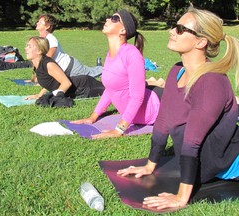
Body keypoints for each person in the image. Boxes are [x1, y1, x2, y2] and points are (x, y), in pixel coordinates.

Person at [117, 7, 239, 211]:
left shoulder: (211, 81)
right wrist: (150, 165)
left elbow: (193, 140)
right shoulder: (176, 71)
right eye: (175, 26)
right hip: (211, 159)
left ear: (201, 42)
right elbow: (163, 121)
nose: (172, 31)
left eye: (181, 29)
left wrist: (181, 197)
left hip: (231, 163)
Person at [72, 10, 163, 139]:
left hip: (159, 107)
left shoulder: (132, 54)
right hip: (144, 106)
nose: (108, 19)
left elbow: (137, 97)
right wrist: (92, 117)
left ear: (123, 30)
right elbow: (110, 89)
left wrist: (119, 129)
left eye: (115, 18)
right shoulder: (110, 55)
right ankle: (155, 81)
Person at [24, 36, 104, 100]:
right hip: (79, 88)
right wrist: (39, 95)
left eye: (29, 46)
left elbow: (66, 83)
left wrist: (56, 97)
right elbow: (49, 82)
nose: (25, 48)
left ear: (39, 51)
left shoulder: (48, 64)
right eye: (27, 46)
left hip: (85, 87)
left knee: (111, 91)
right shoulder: (38, 65)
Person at [36, 14, 102, 78]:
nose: (37, 23)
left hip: (71, 67)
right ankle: (100, 67)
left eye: (40, 22)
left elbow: (48, 57)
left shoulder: (51, 39)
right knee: (91, 71)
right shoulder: (41, 39)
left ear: (47, 26)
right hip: (66, 69)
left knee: (92, 73)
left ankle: (107, 69)